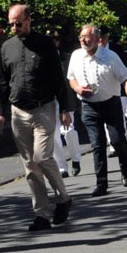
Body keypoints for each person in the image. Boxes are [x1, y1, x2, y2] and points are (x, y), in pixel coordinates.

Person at [0, 4, 72, 232]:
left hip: (44, 108)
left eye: (18, 23)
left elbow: (58, 78)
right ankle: (42, 215)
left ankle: (63, 198)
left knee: (42, 156)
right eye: (11, 24)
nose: (14, 27)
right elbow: (2, 82)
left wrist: (64, 108)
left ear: (29, 19)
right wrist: (0, 113)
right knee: (29, 164)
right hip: (18, 111)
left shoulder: (45, 44)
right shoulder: (7, 47)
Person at [67, 25, 127, 196]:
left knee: (117, 140)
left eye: (87, 37)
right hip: (88, 106)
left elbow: (126, 79)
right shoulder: (76, 56)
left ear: (98, 39)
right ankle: (101, 183)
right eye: (81, 36)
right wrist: (78, 90)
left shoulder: (110, 56)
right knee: (97, 145)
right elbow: (71, 78)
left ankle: (125, 167)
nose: (83, 40)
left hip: (110, 103)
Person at [48, 33, 82, 178]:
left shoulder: (67, 59)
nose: (52, 43)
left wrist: (77, 101)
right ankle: (62, 166)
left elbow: (75, 80)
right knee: (54, 136)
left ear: (58, 42)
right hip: (49, 102)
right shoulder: (42, 59)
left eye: (54, 40)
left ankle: (75, 159)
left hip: (66, 101)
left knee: (68, 131)